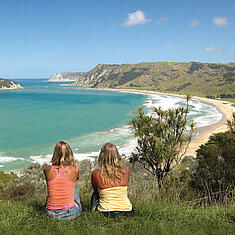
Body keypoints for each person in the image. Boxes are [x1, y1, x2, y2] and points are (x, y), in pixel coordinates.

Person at [91, 142, 134, 218]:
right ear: (117, 155)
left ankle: (94, 210)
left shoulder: (96, 173)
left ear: (102, 156)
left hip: (105, 212)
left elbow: (95, 189)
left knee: (95, 194)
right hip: (127, 211)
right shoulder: (125, 171)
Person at [44, 141, 82, 220]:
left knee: (55, 185)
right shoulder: (75, 170)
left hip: (51, 213)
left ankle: (54, 205)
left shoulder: (47, 169)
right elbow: (76, 179)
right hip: (70, 212)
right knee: (72, 186)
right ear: (69, 153)